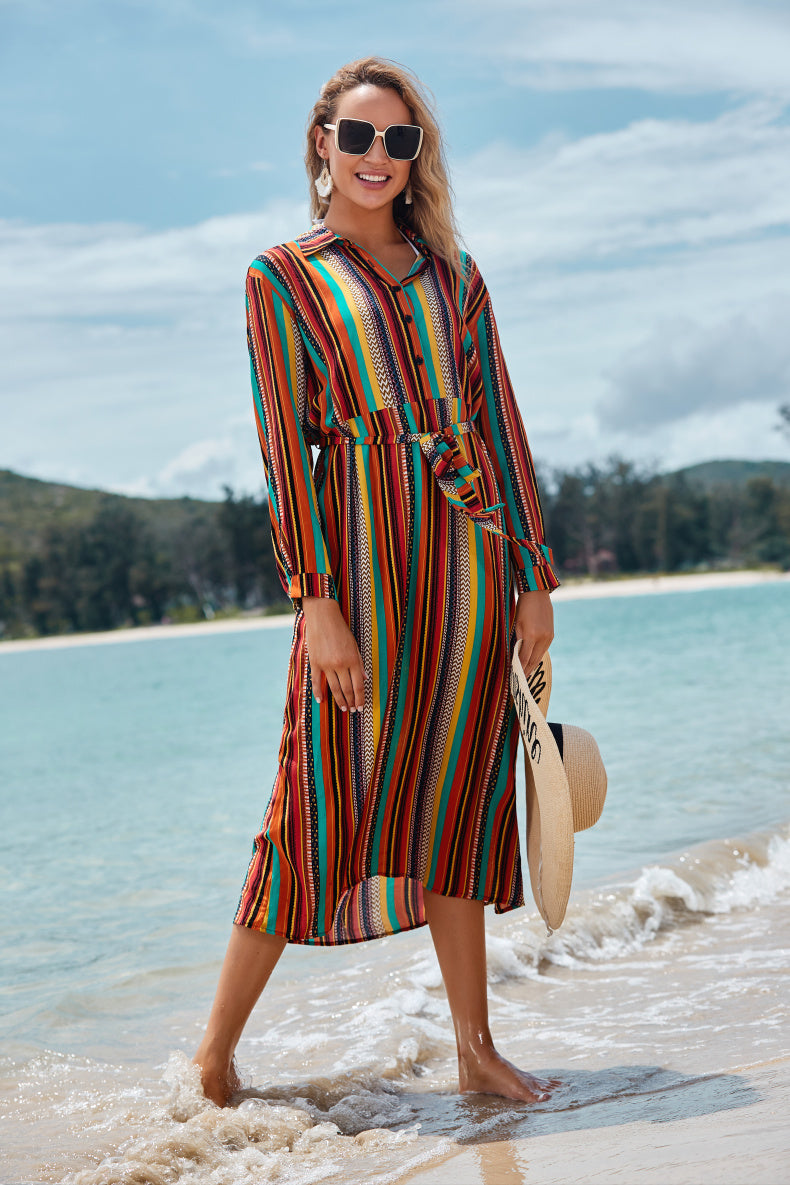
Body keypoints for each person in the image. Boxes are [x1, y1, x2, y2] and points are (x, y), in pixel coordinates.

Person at [194, 56, 560, 1108]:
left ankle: (475, 1052)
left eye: (398, 140)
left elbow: (501, 429)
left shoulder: (456, 274)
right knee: (311, 806)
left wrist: (533, 576)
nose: (376, 158)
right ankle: (215, 1061)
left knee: (456, 797)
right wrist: (317, 603)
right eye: (358, 136)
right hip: (357, 570)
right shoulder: (283, 277)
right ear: (322, 144)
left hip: (472, 572)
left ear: (417, 156)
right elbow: (281, 450)